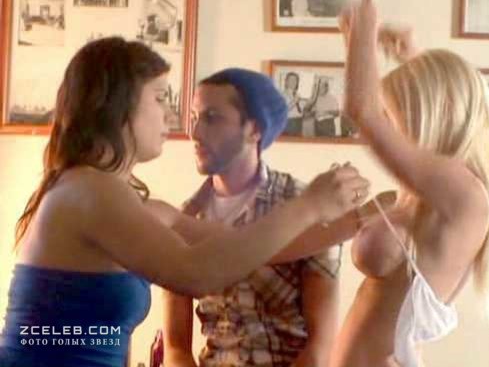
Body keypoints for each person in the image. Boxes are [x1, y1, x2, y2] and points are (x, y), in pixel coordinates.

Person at [0, 37, 370, 367]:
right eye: (160, 97)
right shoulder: (92, 191)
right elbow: (196, 274)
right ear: (117, 106)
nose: (175, 117)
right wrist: (309, 206)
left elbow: (245, 248)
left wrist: (360, 217)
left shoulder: (126, 203)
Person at [330, 0, 489, 367]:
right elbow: (435, 96)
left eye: (396, 117)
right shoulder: (424, 197)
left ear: (428, 117)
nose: (391, 128)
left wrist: (363, 28)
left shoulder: (465, 193)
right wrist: (396, 51)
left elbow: (362, 111)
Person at [163, 68, 354, 367]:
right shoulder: (185, 218)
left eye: (212, 118)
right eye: (194, 117)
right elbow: (176, 347)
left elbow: (320, 348)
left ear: (254, 129)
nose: (195, 132)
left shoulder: (305, 206)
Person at [282, 72, 305, 136]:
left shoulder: (298, 94)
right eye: (291, 80)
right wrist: (295, 100)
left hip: (299, 122)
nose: (293, 82)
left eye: (295, 80)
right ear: (286, 81)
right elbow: (283, 110)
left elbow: (301, 111)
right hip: (289, 123)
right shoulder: (282, 95)